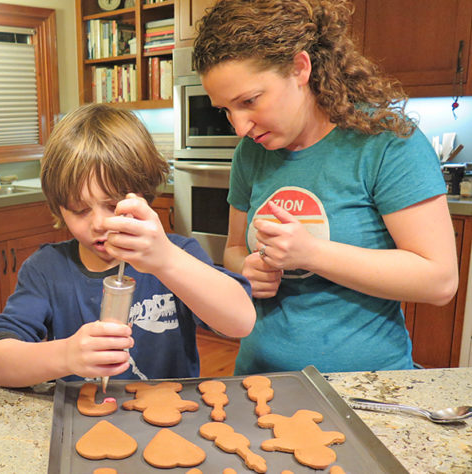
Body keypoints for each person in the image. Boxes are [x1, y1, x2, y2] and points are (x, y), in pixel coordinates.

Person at [192, 0, 458, 374]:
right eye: (225, 110)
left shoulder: (384, 142)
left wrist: (311, 253)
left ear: (300, 68)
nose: (240, 127)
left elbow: (439, 281)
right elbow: (235, 250)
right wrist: (247, 270)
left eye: (250, 101)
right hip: (260, 378)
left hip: (365, 386)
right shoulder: (250, 153)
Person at [0, 103, 255, 387]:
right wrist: (66, 355)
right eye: (79, 210)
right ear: (59, 208)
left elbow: (241, 321)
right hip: (83, 413)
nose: (99, 223)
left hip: (169, 412)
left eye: (113, 205)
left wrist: (166, 260)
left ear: (143, 195)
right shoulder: (45, 270)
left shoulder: (178, 255)